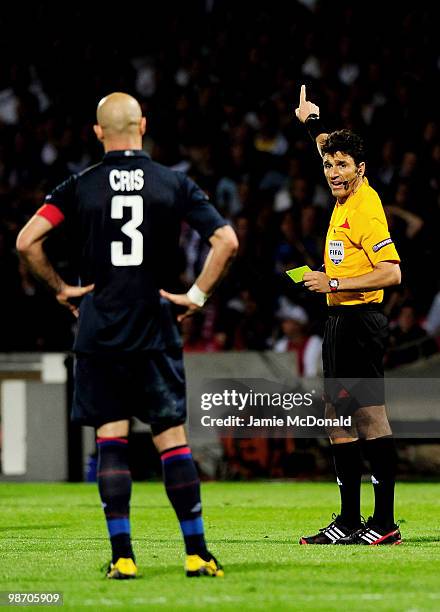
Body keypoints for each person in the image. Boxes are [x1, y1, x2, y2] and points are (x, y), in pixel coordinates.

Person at [16, 92, 238, 578]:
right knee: (172, 441)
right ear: (143, 125)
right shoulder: (173, 184)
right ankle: (196, 553)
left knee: (111, 440)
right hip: (154, 325)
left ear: (98, 133)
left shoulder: (80, 186)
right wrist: (195, 296)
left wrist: (63, 289)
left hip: (99, 329)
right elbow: (226, 240)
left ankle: (123, 557)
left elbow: (26, 241)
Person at [294, 85, 402, 545]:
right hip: (341, 322)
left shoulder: (365, 208)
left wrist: (333, 282)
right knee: (337, 416)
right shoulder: (343, 190)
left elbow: (392, 272)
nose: (334, 172)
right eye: (328, 164)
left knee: (370, 419)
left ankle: (382, 524)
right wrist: (313, 123)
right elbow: (327, 144)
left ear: (362, 170)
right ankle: (351, 522)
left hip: (360, 321)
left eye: (343, 166)